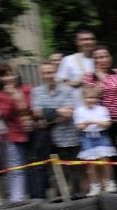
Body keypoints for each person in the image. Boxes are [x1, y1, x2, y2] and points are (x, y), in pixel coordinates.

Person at [83, 45, 117, 182]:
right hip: (104, 122)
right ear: (93, 60)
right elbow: (91, 96)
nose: (102, 60)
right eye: (98, 57)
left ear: (110, 58)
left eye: (104, 56)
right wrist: (102, 80)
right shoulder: (89, 77)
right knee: (112, 156)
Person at [32, 61, 81, 196]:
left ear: (56, 73)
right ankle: (61, 197)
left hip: (68, 136)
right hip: (48, 138)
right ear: (41, 75)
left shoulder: (67, 90)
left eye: (51, 72)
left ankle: (77, 196)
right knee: (55, 169)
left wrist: (47, 116)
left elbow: (69, 114)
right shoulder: (37, 91)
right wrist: (59, 111)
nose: (48, 75)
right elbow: (36, 112)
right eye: (45, 73)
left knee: (73, 168)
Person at [0, 64, 32, 203]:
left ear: (17, 75)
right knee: (16, 166)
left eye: (11, 74)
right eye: (5, 75)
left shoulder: (26, 89)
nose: (9, 78)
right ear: (0, 78)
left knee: (32, 165)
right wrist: (11, 98)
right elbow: (4, 114)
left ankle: (34, 194)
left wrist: (19, 97)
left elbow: (30, 107)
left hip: (31, 131)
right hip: (13, 134)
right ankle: (17, 197)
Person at [74, 86, 117, 195]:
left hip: (102, 136)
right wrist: (86, 124)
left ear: (97, 98)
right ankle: (95, 185)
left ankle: (109, 183)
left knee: (105, 161)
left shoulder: (102, 109)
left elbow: (107, 123)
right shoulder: (79, 111)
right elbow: (79, 126)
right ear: (83, 98)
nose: (91, 100)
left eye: (93, 97)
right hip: (87, 137)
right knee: (91, 164)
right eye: (88, 97)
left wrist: (95, 122)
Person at [56, 29, 96, 104]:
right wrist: (75, 83)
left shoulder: (101, 60)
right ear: (77, 42)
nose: (88, 42)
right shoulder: (68, 60)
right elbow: (59, 84)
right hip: (76, 107)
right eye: (84, 40)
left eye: (91, 39)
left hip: (99, 108)